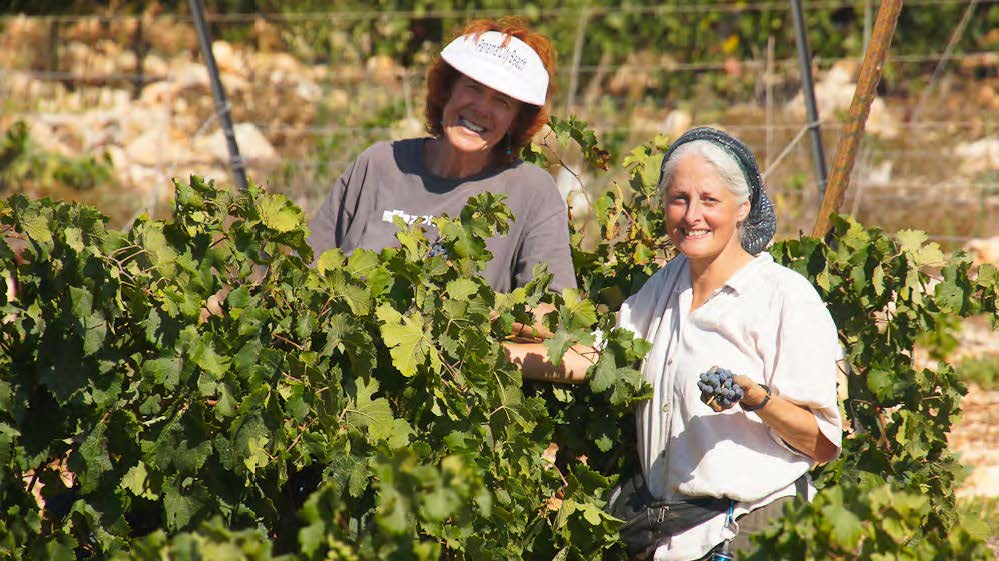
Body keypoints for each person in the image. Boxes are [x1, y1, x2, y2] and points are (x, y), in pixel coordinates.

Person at [504, 127, 843, 560]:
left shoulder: (783, 298)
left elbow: (822, 443)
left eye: (709, 200)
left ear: (743, 208)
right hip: (674, 536)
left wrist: (758, 399)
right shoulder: (663, 288)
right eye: (679, 199)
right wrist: (500, 355)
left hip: (750, 533)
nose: (692, 214)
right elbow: (598, 357)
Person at [307, 17, 575, 295]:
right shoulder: (378, 165)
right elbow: (307, 269)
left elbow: (552, 311)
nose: (482, 108)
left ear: (516, 121)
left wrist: (479, 310)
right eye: (473, 87)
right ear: (448, 89)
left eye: (502, 101)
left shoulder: (531, 192)